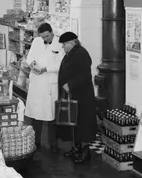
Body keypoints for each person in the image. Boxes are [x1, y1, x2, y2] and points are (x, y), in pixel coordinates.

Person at [57, 32, 98, 163]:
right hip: (73, 95)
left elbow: (85, 75)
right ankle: (76, 148)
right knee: (75, 123)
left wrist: (70, 84)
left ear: (72, 42)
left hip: (82, 96)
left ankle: (85, 153)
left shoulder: (81, 53)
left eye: (64, 44)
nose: (63, 46)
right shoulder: (71, 53)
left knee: (83, 124)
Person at [24, 23, 64, 153]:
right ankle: (36, 142)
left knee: (51, 114)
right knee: (36, 114)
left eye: (47, 36)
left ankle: (53, 144)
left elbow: (61, 64)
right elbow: (30, 57)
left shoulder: (60, 43)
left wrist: (46, 69)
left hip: (49, 83)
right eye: (42, 37)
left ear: (52, 32)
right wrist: (32, 64)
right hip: (37, 82)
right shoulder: (36, 41)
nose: (45, 39)